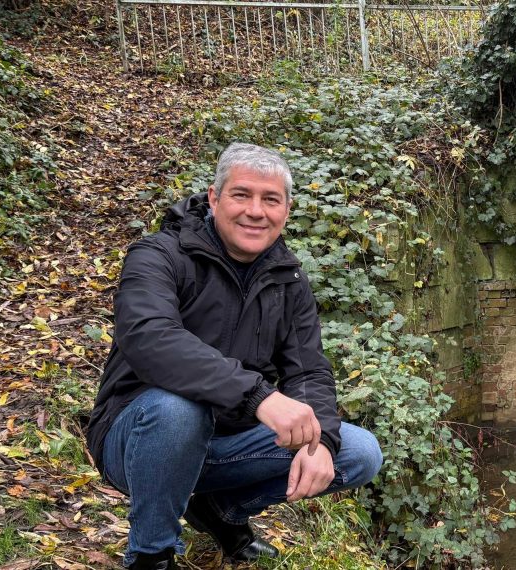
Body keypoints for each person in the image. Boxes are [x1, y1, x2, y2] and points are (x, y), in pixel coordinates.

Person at [85, 143, 383, 570]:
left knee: (357, 452)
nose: (255, 211)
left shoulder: (288, 279)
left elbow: (309, 369)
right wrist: (261, 397)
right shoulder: (158, 255)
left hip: (228, 440)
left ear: (286, 209)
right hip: (139, 438)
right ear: (214, 197)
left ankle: (219, 512)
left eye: (270, 199)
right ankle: (151, 554)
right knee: (178, 408)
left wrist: (323, 442)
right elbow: (149, 336)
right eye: (242, 195)